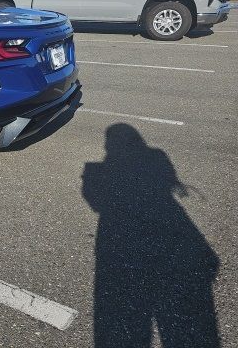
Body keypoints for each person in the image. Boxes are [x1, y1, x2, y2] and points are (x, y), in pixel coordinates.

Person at [82, 124, 220, 348]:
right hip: (167, 220)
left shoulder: (106, 167)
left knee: (124, 313)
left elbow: (94, 201)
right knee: (187, 319)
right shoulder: (155, 156)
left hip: (115, 231)